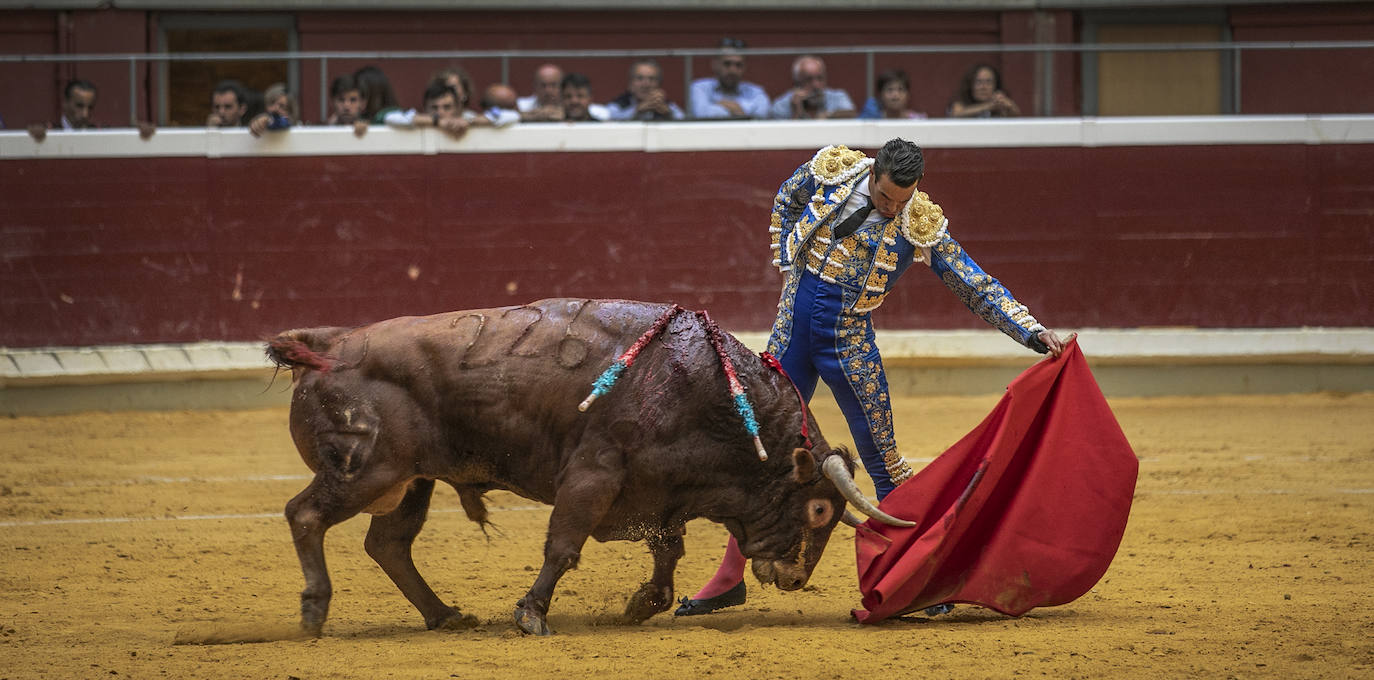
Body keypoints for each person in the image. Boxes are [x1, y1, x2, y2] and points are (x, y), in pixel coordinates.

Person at [673, 138, 1066, 616]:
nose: (892, 209)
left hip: (849, 345)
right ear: (873, 174)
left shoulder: (918, 222)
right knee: (760, 452)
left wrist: (1030, 329)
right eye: (885, 199)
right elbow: (786, 198)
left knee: (883, 462)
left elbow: (973, 282)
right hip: (791, 338)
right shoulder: (833, 170)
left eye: (903, 200)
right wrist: (785, 261)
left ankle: (913, 578)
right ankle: (729, 578)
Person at [689, 38, 770, 120]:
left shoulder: (756, 91)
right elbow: (702, 114)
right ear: (715, 64)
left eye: (738, 65)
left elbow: (762, 115)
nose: (733, 70)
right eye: (727, 64)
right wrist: (743, 112)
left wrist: (719, 104)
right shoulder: (700, 88)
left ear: (744, 67)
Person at [769, 55, 856, 120]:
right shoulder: (781, 105)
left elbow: (852, 113)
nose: (816, 85)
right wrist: (796, 112)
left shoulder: (837, 97)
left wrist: (828, 115)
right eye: (808, 80)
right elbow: (785, 138)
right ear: (796, 83)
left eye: (820, 78)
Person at [606, 59, 684, 121]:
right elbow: (609, 118)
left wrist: (668, 114)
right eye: (640, 78)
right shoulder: (619, 104)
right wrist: (636, 112)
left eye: (652, 79)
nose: (646, 84)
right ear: (631, 83)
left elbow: (684, 121)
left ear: (659, 84)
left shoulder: (667, 105)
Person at [28, 79, 98, 140]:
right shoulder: (47, 132)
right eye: (79, 106)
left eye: (90, 107)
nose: (85, 114)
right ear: (65, 103)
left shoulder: (98, 133)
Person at [947, 63, 1020, 118]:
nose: (983, 87)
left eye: (989, 82)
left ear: (995, 86)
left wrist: (1006, 103)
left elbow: (1016, 117)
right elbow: (956, 114)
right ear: (970, 85)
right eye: (978, 82)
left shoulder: (998, 105)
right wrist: (988, 106)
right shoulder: (961, 101)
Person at [858, 69, 926, 120]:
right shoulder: (873, 120)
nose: (895, 95)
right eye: (890, 90)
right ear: (881, 95)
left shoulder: (918, 120)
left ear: (908, 95)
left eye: (900, 89)